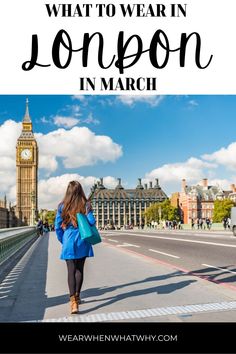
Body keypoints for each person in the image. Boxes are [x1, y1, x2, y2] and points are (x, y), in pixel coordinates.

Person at [55, 180, 96, 315]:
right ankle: (77, 296)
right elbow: (91, 222)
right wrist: (86, 212)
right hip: (82, 240)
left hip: (68, 239)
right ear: (80, 191)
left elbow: (57, 227)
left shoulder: (62, 206)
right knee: (79, 270)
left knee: (70, 271)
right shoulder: (86, 204)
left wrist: (63, 240)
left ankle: (73, 302)